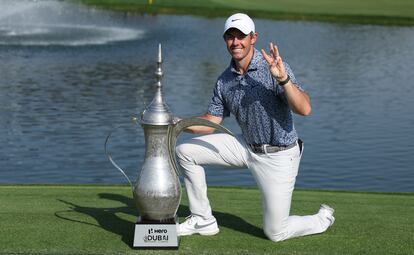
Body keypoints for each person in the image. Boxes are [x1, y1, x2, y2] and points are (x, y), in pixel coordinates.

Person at [175, 13, 335, 242]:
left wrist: (283, 80)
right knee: (185, 152)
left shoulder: (274, 68)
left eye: (241, 36)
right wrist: (177, 123)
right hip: (246, 146)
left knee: (275, 233)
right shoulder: (224, 81)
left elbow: (305, 109)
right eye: (230, 37)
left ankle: (322, 219)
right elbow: (211, 122)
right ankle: (202, 219)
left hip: (279, 155)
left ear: (253, 38)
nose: (235, 42)